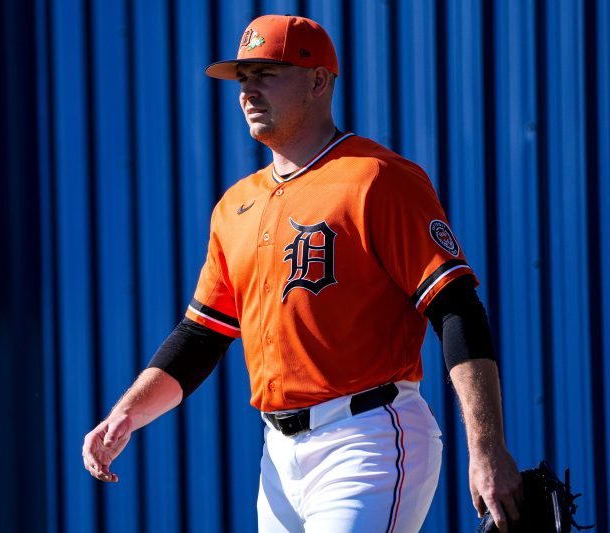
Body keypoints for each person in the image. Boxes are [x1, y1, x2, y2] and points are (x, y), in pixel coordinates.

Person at [83, 14, 522, 532]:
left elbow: (456, 309)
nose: (248, 91)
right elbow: (203, 334)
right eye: (243, 78)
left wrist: (486, 448)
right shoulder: (236, 205)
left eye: (266, 74)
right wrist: (127, 413)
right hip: (278, 457)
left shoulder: (377, 179)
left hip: (368, 438)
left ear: (318, 82)